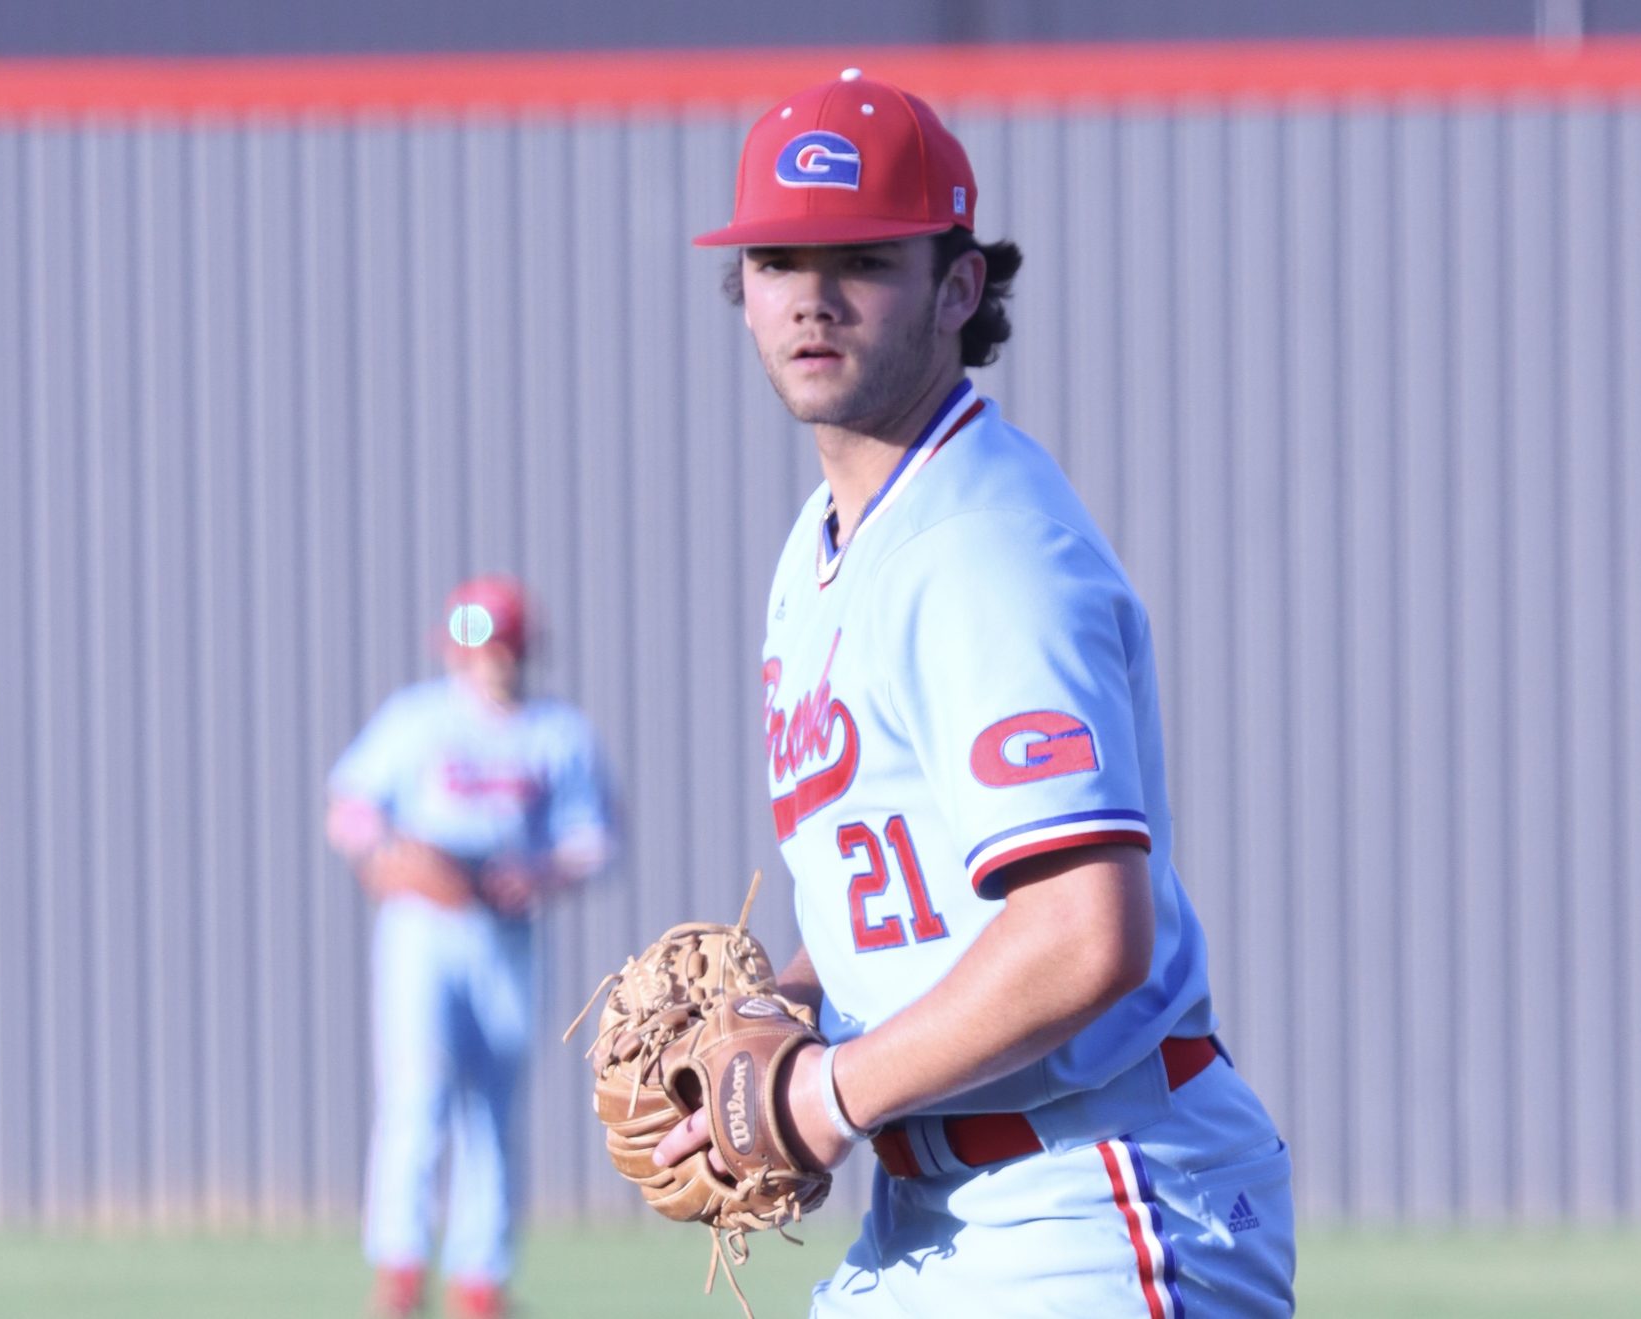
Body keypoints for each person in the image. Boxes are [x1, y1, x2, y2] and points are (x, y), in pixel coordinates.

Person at [654, 69, 1297, 1316]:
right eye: (779, 259)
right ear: (742, 296)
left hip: (1091, 1194)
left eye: (863, 259)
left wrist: (824, 1094)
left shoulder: (982, 545)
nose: (813, 297)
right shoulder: (826, 543)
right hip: (936, 1211)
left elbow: (1082, 929)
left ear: (957, 287)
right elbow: (908, 892)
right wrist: (780, 1007)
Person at [326, 576, 614, 1319]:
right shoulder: (419, 719)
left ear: (521, 650)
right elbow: (351, 805)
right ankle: (398, 1275)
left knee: (492, 1108)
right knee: (415, 1096)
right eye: (475, 648)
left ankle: (480, 1283)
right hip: (424, 930)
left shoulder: (554, 731)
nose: (487, 662)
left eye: (499, 647)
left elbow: (594, 838)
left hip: (505, 932)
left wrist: (543, 872)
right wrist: (386, 856)